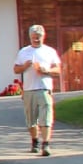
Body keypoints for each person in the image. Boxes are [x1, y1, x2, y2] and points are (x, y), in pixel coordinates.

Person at [14, 24, 63, 156]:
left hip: (44, 88)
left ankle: (46, 144)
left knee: (46, 117)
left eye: (39, 37)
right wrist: (24, 66)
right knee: (31, 120)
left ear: (43, 36)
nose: (36, 39)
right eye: (34, 37)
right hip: (29, 89)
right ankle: (35, 141)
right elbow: (16, 69)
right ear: (30, 37)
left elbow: (58, 70)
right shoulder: (24, 51)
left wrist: (47, 70)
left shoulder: (49, 51)